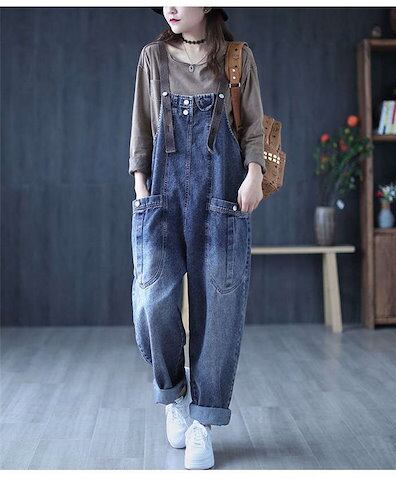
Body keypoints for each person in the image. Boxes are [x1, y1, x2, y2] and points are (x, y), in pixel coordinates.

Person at [128, 6, 268, 469]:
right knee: (152, 302)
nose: (170, 6)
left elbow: (253, 126)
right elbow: (141, 131)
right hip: (161, 198)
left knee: (220, 309)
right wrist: (142, 189)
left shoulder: (237, 58)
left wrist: (253, 175)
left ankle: (202, 423)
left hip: (221, 197)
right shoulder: (152, 57)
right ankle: (174, 394)